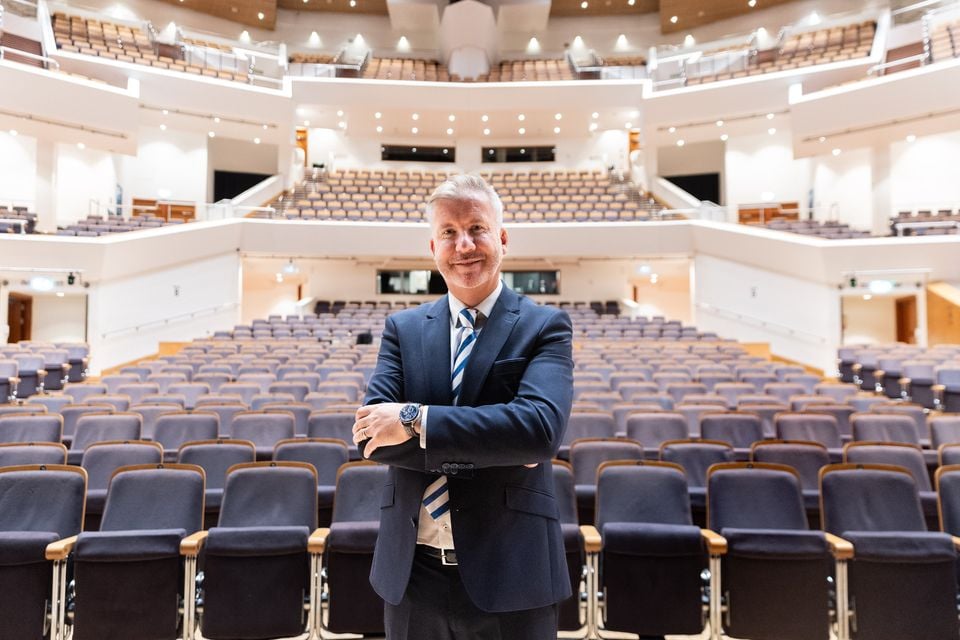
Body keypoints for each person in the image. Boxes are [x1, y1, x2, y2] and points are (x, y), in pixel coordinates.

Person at [352, 174, 574, 639]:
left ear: (502, 238)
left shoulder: (545, 326)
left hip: (512, 567)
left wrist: (414, 419)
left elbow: (537, 431)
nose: (464, 245)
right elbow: (372, 437)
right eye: (449, 232)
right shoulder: (403, 329)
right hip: (411, 573)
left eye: (477, 228)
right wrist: (498, 442)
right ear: (434, 246)